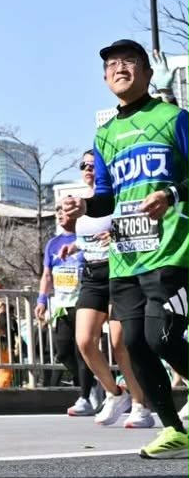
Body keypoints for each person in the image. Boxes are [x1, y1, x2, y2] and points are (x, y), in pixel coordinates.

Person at [63, 39, 189, 458]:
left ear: (147, 73)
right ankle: (174, 429)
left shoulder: (174, 119)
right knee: (133, 344)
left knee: (162, 337)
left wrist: (170, 194)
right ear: (104, 78)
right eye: (112, 64)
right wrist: (84, 206)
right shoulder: (105, 135)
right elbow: (107, 197)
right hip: (125, 255)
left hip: (171, 250)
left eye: (130, 61)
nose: (120, 68)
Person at [59, 150, 152, 429]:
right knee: (85, 341)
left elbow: (138, 224)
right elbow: (86, 233)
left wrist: (116, 233)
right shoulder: (79, 201)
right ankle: (114, 393)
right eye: (84, 165)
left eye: (93, 165)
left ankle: (139, 405)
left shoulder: (115, 198)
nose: (88, 169)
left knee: (119, 343)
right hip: (91, 274)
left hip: (118, 271)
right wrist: (71, 241)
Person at [35, 196, 96, 414]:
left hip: (84, 302)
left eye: (64, 209)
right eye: (57, 209)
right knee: (62, 352)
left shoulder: (86, 237)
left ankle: (85, 396)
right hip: (61, 304)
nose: (60, 213)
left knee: (83, 351)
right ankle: (94, 383)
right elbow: (47, 275)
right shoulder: (53, 243)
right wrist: (42, 299)